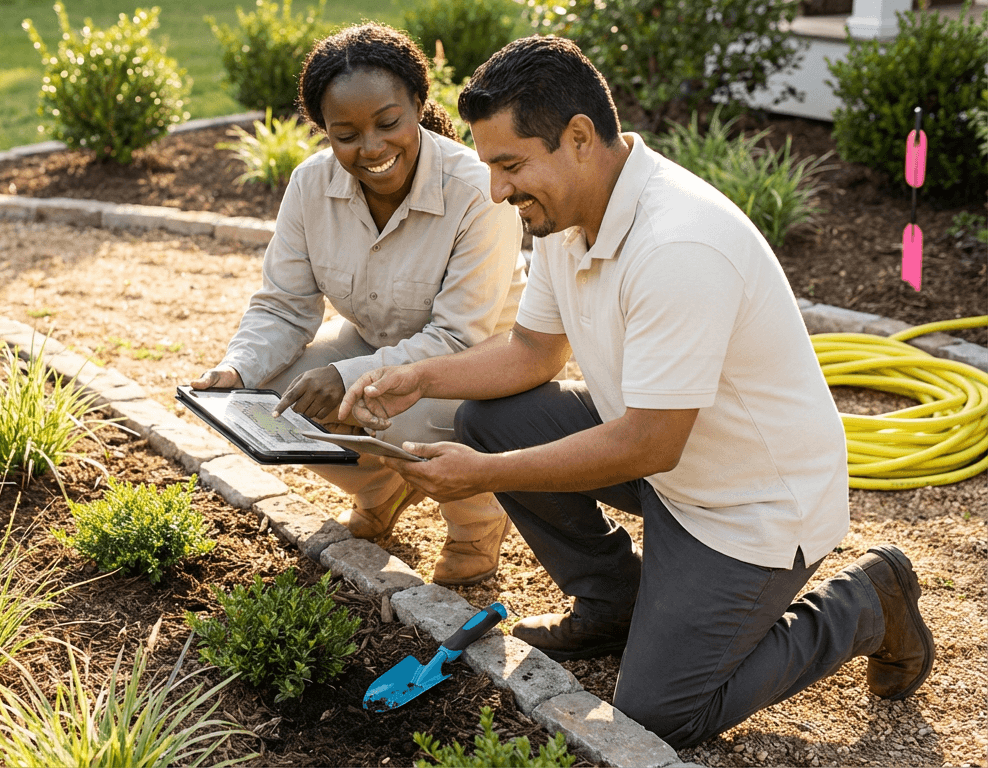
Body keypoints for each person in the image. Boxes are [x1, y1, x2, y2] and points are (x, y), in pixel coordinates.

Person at [336, 36, 934, 747]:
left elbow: (650, 442)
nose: (496, 190)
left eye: (509, 165)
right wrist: (417, 377)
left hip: (751, 506)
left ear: (580, 138)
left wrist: (484, 476)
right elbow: (532, 353)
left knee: (658, 715)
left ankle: (866, 602)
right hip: (670, 466)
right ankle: (614, 605)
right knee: (492, 418)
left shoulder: (678, 246)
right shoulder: (565, 213)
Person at [190, 23, 525, 585]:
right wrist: (235, 369)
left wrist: (347, 375)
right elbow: (283, 305)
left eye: (388, 123)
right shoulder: (310, 186)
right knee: (267, 399)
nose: (370, 148)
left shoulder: (474, 191)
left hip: (479, 364)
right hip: (379, 344)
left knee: (400, 409)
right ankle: (381, 487)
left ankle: (477, 520)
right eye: (345, 133)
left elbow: (456, 337)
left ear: (418, 105)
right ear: (324, 130)